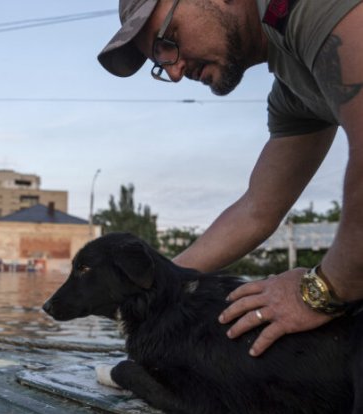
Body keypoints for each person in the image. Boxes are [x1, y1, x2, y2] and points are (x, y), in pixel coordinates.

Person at [97, 0, 363, 356]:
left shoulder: (305, 7)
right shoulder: (295, 89)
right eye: (159, 62)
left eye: (168, 40)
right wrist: (159, 287)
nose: (174, 72)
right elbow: (256, 210)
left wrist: (321, 291)